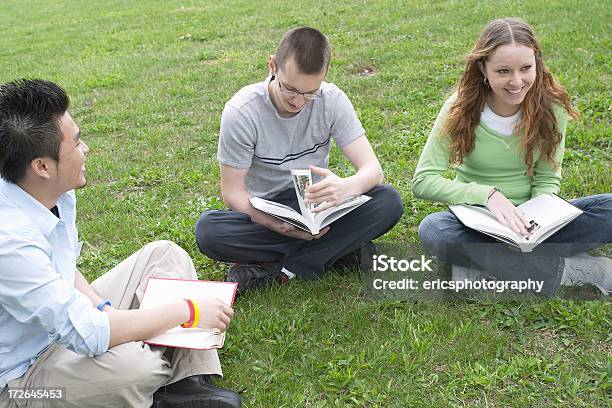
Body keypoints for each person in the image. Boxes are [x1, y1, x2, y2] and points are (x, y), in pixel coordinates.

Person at [0, 79, 242, 407]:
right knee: (134, 366)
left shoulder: (52, 190)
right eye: (77, 142)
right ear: (42, 167)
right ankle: (150, 378)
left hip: (61, 327)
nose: (86, 149)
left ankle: (185, 384)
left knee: (164, 255)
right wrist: (188, 310)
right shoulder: (10, 243)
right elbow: (87, 333)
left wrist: (102, 306)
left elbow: (63, 268)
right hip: (20, 382)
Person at [412, 18, 612, 295]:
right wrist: (488, 196)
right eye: (503, 71)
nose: (517, 81)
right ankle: (576, 272)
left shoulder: (552, 106)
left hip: (533, 225)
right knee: (434, 230)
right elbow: (423, 181)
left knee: (608, 208)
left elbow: (546, 179)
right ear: (483, 68)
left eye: (526, 68)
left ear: (537, 63)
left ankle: (488, 268)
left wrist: (536, 224)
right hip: (477, 223)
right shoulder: (461, 106)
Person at [195, 27, 403, 294]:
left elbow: (373, 170)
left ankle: (278, 268)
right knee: (209, 231)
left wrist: (347, 187)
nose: (299, 102)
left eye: (310, 93)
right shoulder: (242, 112)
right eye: (290, 90)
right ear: (273, 66)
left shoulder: (332, 100)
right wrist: (275, 224)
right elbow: (233, 193)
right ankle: (338, 251)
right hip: (266, 211)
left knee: (388, 202)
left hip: (317, 206)